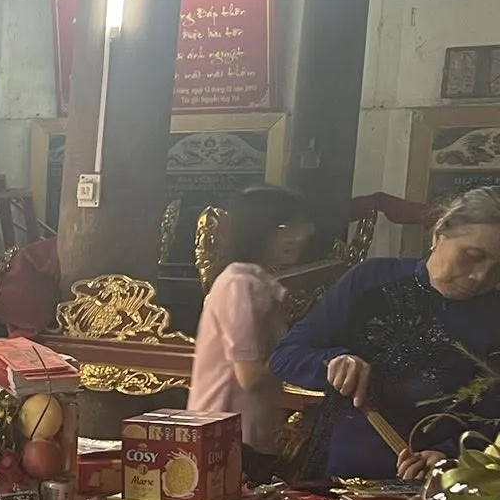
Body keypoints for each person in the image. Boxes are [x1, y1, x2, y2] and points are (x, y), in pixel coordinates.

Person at [270, 185, 500, 483]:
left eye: (498, 268)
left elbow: (492, 417)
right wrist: (335, 361)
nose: (481, 276)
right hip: (344, 474)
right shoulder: (371, 280)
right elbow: (285, 355)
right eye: (472, 255)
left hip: (442, 484)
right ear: (439, 234)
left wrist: (450, 454)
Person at [188, 185, 315, 482]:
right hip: (226, 440)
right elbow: (250, 376)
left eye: (298, 227)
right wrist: (304, 356)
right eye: (284, 228)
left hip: (247, 437)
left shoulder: (257, 282)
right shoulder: (240, 286)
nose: (297, 237)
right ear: (259, 231)